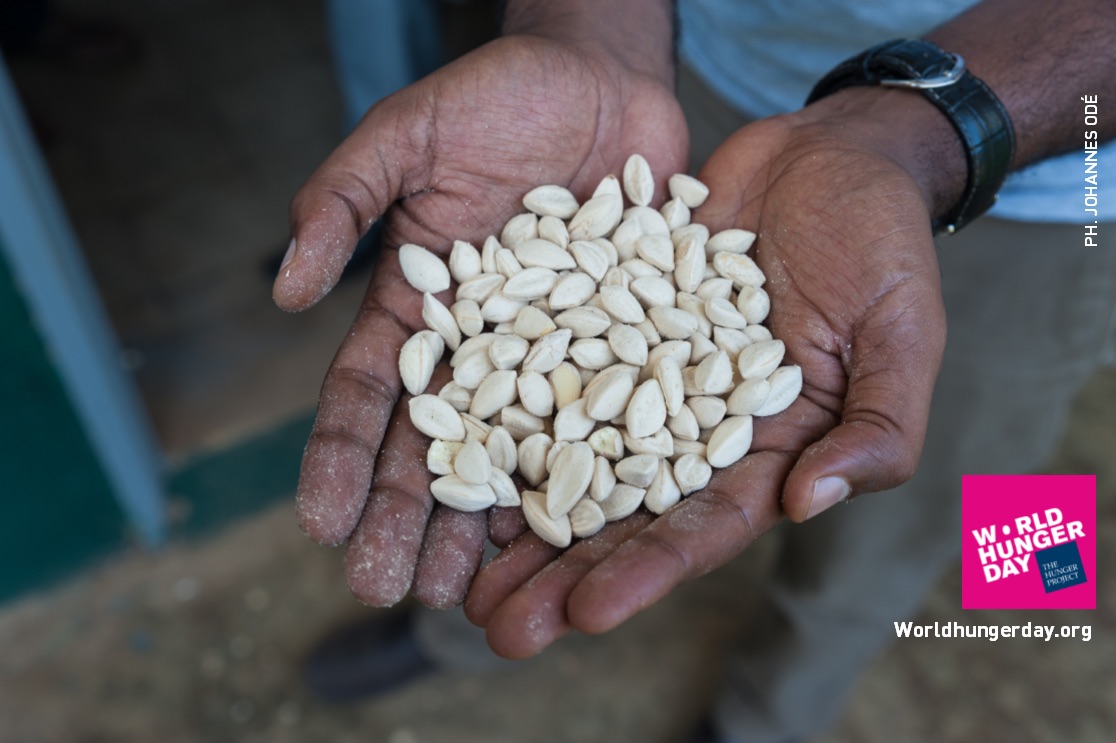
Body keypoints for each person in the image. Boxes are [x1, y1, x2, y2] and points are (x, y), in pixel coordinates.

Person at [274, 1, 1115, 740]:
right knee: (507, 532)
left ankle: (774, 715)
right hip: (690, 66)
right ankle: (450, 626)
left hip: (1066, 178)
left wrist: (923, 132)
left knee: (932, 515)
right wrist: (587, 26)